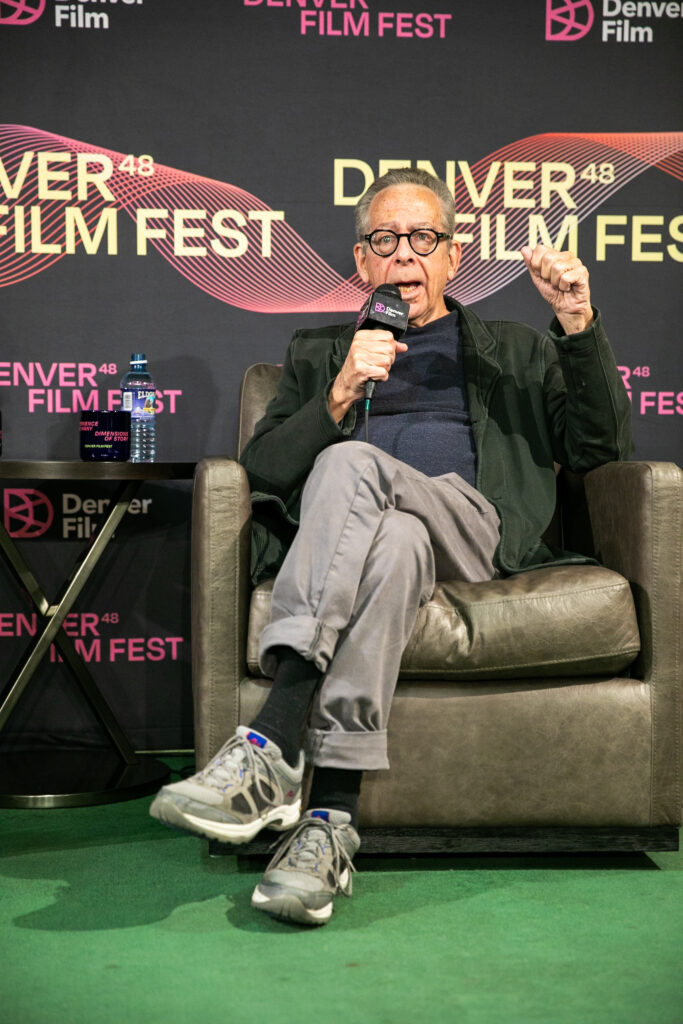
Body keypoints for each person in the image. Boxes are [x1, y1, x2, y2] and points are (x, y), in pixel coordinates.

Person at [150, 167, 632, 926]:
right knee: (393, 540)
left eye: (421, 238)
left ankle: (271, 740)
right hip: (382, 542)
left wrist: (576, 321)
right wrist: (338, 392)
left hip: (472, 530)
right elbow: (265, 471)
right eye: (384, 239)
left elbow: (601, 445)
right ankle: (328, 827)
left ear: (451, 256)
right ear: (360, 261)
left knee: (350, 465)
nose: (402, 253)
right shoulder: (317, 350)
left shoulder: (512, 349)